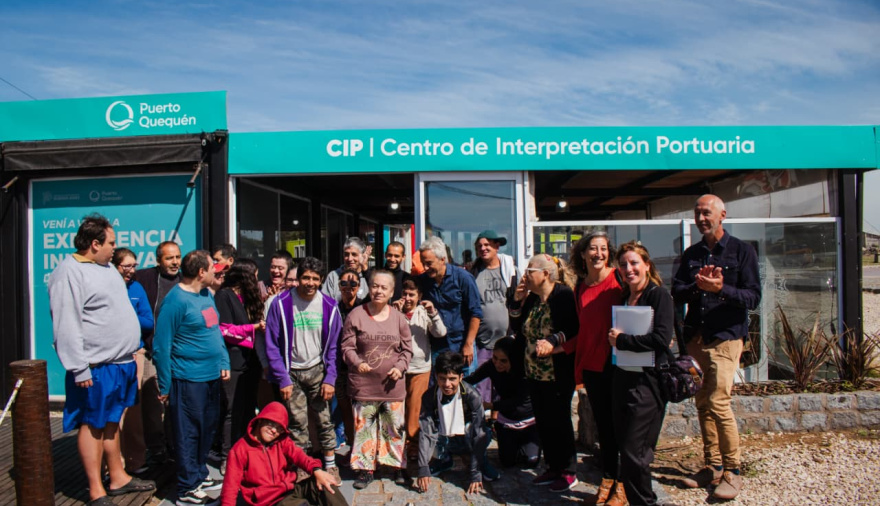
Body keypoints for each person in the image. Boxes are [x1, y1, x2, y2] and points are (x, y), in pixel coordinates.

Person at [49, 215, 156, 505]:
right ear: (94, 244)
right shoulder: (68, 273)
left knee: (111, 421)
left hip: (121, 362)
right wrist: (78, 366)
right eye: (110, 243)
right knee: (93, 423)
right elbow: (65, 324)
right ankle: (96, 489)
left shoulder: (107, 268)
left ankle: (118, 476)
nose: (115, 248)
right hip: (96, 366)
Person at [673, 194, 761, 500]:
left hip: (726, 337)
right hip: (697, 337)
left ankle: (732, 470)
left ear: (722, 214)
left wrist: (721, 289)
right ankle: (710, 466)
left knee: (719, 402)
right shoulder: (691, 254)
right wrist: (699, 287)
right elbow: (677, 292)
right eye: (697, 213)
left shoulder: (742, 251)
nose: (701, 218)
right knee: (701, 402)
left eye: (706, 212)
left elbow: (753, 297)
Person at [153, 249, 230, 505]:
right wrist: (164, 385)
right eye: (213, 269)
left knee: (207, 428)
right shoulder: (176, 301)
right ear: (201, 272)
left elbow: (214, 331)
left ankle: (199, 473)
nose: (216, 273)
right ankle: (186, 488)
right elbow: (161, 346)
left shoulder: (206, 295)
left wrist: (223, 360)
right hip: (187, 380)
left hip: (211, 377)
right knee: (188, 432)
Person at [264, 257, 343, 485]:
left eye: (315, 279)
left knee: (324, 420)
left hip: (318, 370)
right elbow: (272, 344)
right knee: (297, 423)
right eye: (306, 277)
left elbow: (334, 347)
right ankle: (302, 465)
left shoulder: (329, 306)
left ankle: (330, 464)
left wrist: (330, 378)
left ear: (321, 281)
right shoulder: (280, 303)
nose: (310, 282)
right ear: (298, 278)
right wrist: (282, 378)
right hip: (292, 373)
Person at [608, 241, 675, 506]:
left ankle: (645, 502)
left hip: (648, 382)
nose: (628, 269)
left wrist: (622, 341)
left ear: (647, 265)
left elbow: (661, 339)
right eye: (623, 264)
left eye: (634, 263)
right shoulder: (624, 297)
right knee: (629, 450)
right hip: (623, 377)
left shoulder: (658, 295)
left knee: (635, 452)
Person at [562, 231, 626, 505]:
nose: (598, 253)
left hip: (620, 364)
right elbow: (583, 331)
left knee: (623, 426)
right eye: (593, 249)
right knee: (605, 428)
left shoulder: (620, 278)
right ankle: (608, 478)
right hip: (593, 367)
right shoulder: (580, 287)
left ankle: (623, 484)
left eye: (603, 249)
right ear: (583, 254)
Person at [508, 254, 579, 493]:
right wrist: (517, 301)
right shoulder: (534, 299)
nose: (525, 275)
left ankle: (568, 470)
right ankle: (552, 466)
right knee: (544, 420)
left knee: (559, 419)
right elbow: (518, 328)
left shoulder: (563, 296)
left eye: (530, 271)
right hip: (534, 371)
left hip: (556, 371)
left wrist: (552, 340)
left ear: (545, 274)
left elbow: (571, 328)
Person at [340, 270, 413, 489]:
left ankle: (396, 466)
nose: (378, 291)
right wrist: (356, 362)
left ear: (391, 292)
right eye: (374, 286)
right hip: (364, 385)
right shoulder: (356, 315)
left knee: (394, 428)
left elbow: (407, 350)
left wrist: (400, 369)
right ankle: (364, 469)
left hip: (392, 386)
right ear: (368, 288)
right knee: (365, 429)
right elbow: (347, 346)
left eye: (383, 287)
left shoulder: (399, 318)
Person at [219, 401, 348, 506]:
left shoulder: (282, 441)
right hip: (269, 501)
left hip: (290, 489)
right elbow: (230, 488)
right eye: (270, 424)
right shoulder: (240, 449)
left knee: (325, 483)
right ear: (260, 421)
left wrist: (317, 470)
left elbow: (299, 456)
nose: (274, 431)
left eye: (279, 428)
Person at [134, 240, 182, 465]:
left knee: (176, 401)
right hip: (153, 350)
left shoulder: (185, 280)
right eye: (169, 258)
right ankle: (156, 448)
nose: (175, 262)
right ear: (158, 260)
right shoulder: (144, 278)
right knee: (153, 402)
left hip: (179, 352)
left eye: (177, 257)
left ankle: (174, 445)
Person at [416, 351, 490, 496]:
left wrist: (475, 473)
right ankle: (443, 459)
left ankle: (481, 462)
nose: (447, 384)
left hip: (468, 436)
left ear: (461, 377)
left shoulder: (472, 396)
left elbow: (478, 432)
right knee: (432, 429)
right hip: (445, 437)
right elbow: (426, 431)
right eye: (442, 379)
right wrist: (423, 467)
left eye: (452, 379)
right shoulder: (429, 396)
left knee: (478, 433)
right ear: (436, 376)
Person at [215, 259, 266, 468]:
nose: (257, 279)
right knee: (232, 409)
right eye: (254, 275)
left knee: (247, 407)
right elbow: (224, 330)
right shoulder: (224, 296)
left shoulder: (246, 297)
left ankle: (246, 450)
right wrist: (253, 327)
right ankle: (228, 456)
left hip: (250, 361)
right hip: (233, 361)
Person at [464, 337, 539, 469]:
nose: (498, 363)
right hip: (507, 422)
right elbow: (472, 379)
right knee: (507, 462)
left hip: (529, 422)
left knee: (531, 461)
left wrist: (491, 406)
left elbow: (518, 401)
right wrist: (454, 383)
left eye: (503, 360)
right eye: (495, 358)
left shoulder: (524, 372)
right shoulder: (491, 367)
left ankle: (528, 445)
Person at [392, 278, 446, 461]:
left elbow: (440, 332)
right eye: (405, 294)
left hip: (420, 366)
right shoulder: (393, 311)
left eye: (411, 295)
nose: (407, 298)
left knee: (415, 408)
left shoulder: (423, 313)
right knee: (397, 408)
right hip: (397, 367)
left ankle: (413, 445)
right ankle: (397, 443)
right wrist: (394, 315)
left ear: (419, 296)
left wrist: (433, 313)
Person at [112, 247, 154, 475]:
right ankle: (114, 463)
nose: (131, 270)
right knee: (113, 414)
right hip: (110, 355)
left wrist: (126, 313)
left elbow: (148, 322)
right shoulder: (107, 288)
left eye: (134, 265)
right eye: (126, 266)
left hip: (134, 352)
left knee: (133, 410)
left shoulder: (136, 288)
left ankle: (136, 461)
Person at [415, 236, 482, 373]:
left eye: (429, 263)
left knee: (466, 386)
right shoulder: (423, 281)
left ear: (442, 259)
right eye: (423, 263)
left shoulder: (463, 277)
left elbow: (476, 313)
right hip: (437, 344)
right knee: (439, 386)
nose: (425, 268)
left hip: (461, 342)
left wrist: (469, 344)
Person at [469, 230, 519, 403]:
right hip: (482, 340)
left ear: (497, 246)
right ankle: (484, 425)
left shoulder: (511, 271)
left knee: (504, 388)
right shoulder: (473, 273)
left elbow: (519, 300)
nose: (483, 248)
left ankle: (500, 423)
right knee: (482, 388)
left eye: (487, 244)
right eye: (479, 246)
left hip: (507, 341)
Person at [333, 267, 365, 447]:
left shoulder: (363, 307)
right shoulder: (333, 308)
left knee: (361, 412)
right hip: (340, 368)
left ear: (359, 286)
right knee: (345, 411)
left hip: (359, 368)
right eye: (344, 283)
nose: (348, 287)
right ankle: (353, 447)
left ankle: (363, 451)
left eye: (353, 283)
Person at [322, 237, 370, 302]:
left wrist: (365, 267)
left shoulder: (368, 277)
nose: (350, 259)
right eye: (346, 254)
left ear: (362, 256)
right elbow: (326, 302)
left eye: (354, 254)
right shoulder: (333, 276)